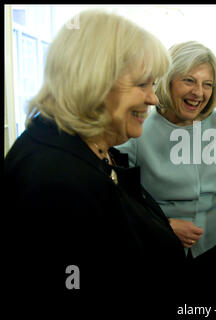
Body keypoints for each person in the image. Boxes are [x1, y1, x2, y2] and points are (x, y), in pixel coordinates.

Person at [4, 10, 187, 296]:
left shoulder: (90, 151)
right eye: (142, 84)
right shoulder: (55, 177)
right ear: (95, 81)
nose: (153, 97)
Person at [116, 41, 216, 296]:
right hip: (155, 250)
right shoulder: (139, 126)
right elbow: (120, 199)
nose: (199, 92)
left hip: (210, 249)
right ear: (168, 80)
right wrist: (163, 225)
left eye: (207, 84)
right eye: (189, 81)